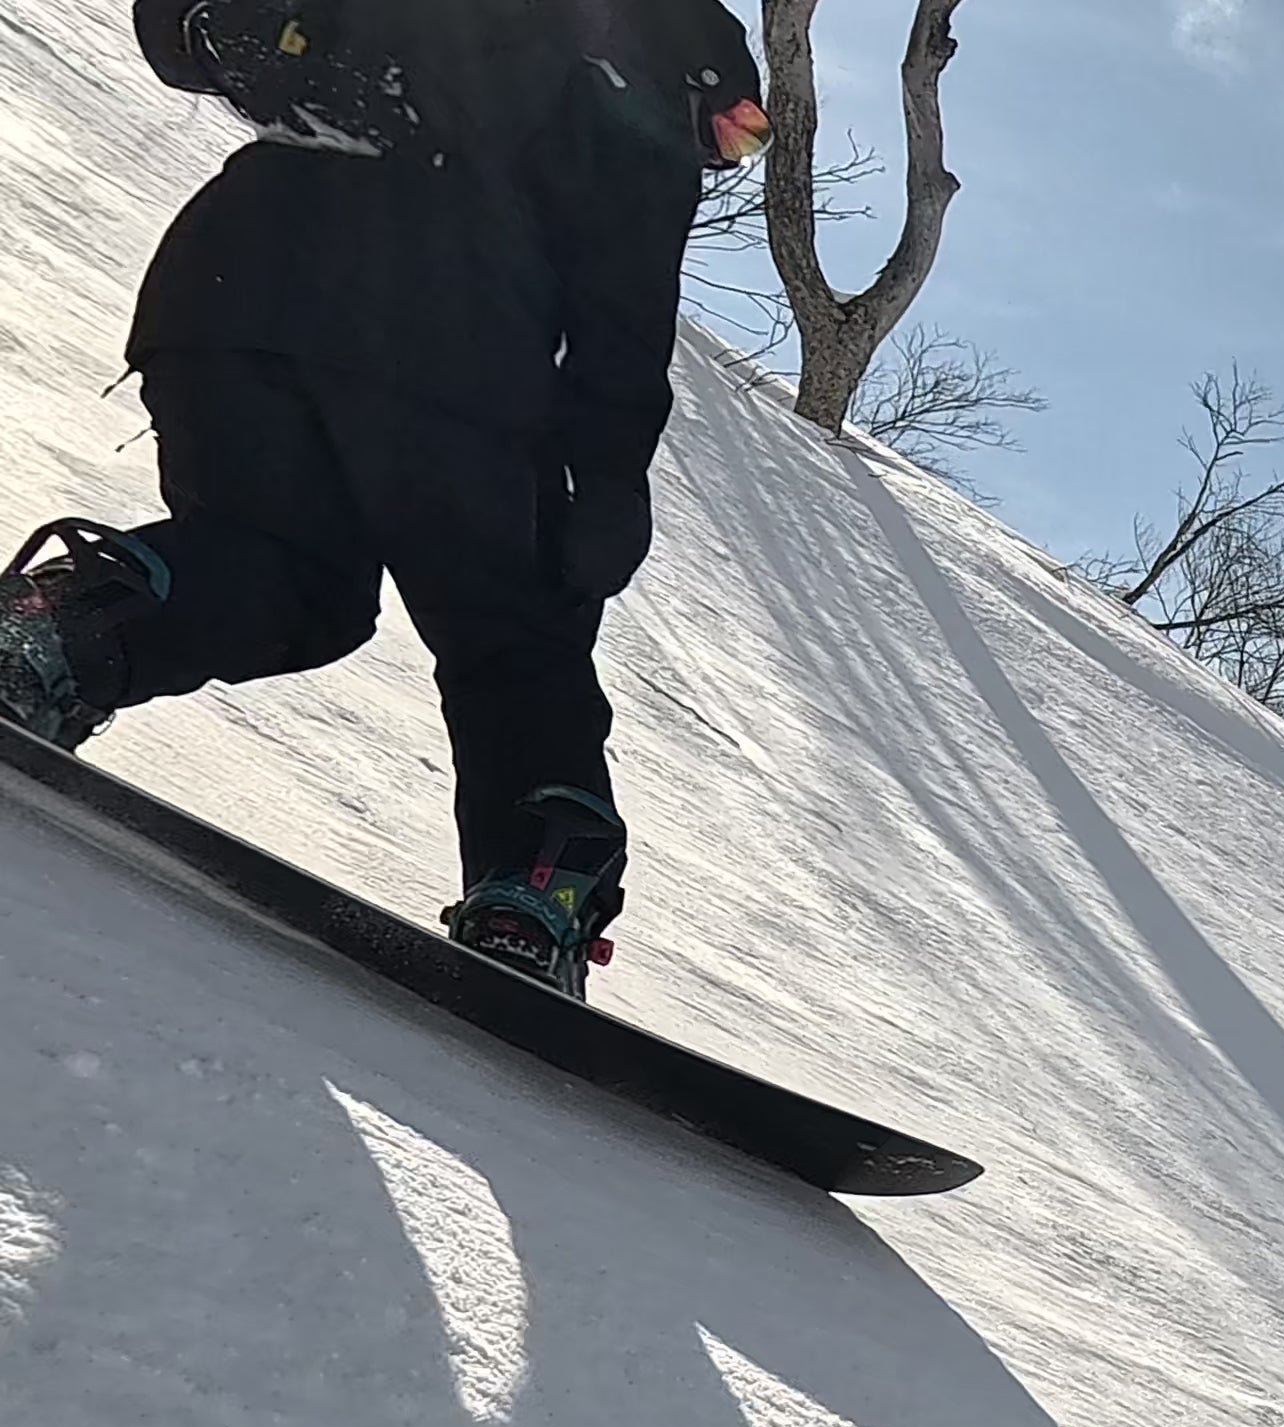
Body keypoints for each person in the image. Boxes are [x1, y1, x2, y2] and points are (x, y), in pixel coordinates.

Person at [0, 0, 769, 998]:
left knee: (283, 575)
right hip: (443, 346)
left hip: (224, 300)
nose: (727, 155)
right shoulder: (642, 91)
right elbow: (622, 319)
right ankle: (534, 888)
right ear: (703, 79)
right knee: (517, 636)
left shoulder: (438, 29)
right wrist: (609, 483)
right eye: (741, 131)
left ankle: (52, 638)